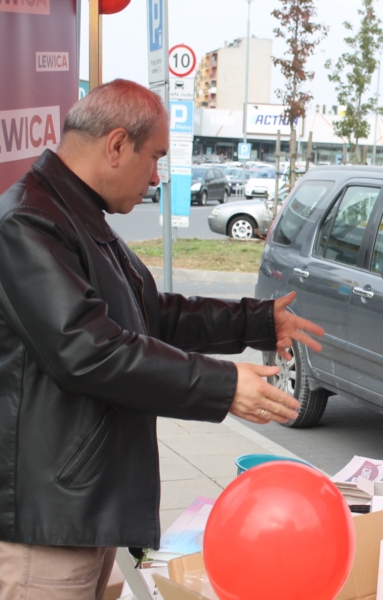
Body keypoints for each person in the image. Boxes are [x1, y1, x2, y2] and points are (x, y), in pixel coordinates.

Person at [0, 79, 324, 600]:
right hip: (47, 527)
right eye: (154, 157)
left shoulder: (76, 214)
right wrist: (224, 386)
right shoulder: (29, 222)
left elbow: (150, 314)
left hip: (80, 510)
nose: (156, 176)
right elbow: (89, 350)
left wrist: (257, 320)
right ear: (116, 145)